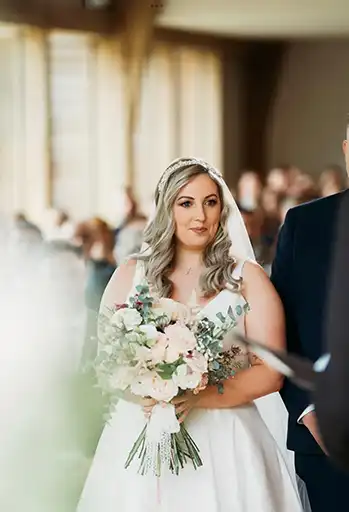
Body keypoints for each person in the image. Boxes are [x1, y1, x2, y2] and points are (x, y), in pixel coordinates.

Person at [77, 157, 307, 512]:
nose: (200, 215)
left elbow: (272, 370)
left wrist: (199, 397)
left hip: (227, 440)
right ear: (167, 208)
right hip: (143, 432)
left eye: (210, 202)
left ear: (221, 209)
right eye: (186, 203)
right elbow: (107, 362)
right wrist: (148, 389)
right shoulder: (129, 275)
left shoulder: (248, 280)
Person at [271, 120, 349, 511]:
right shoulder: (305, 226)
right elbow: (279, 333)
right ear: (348, 151)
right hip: (326, 448)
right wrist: (311, 413)